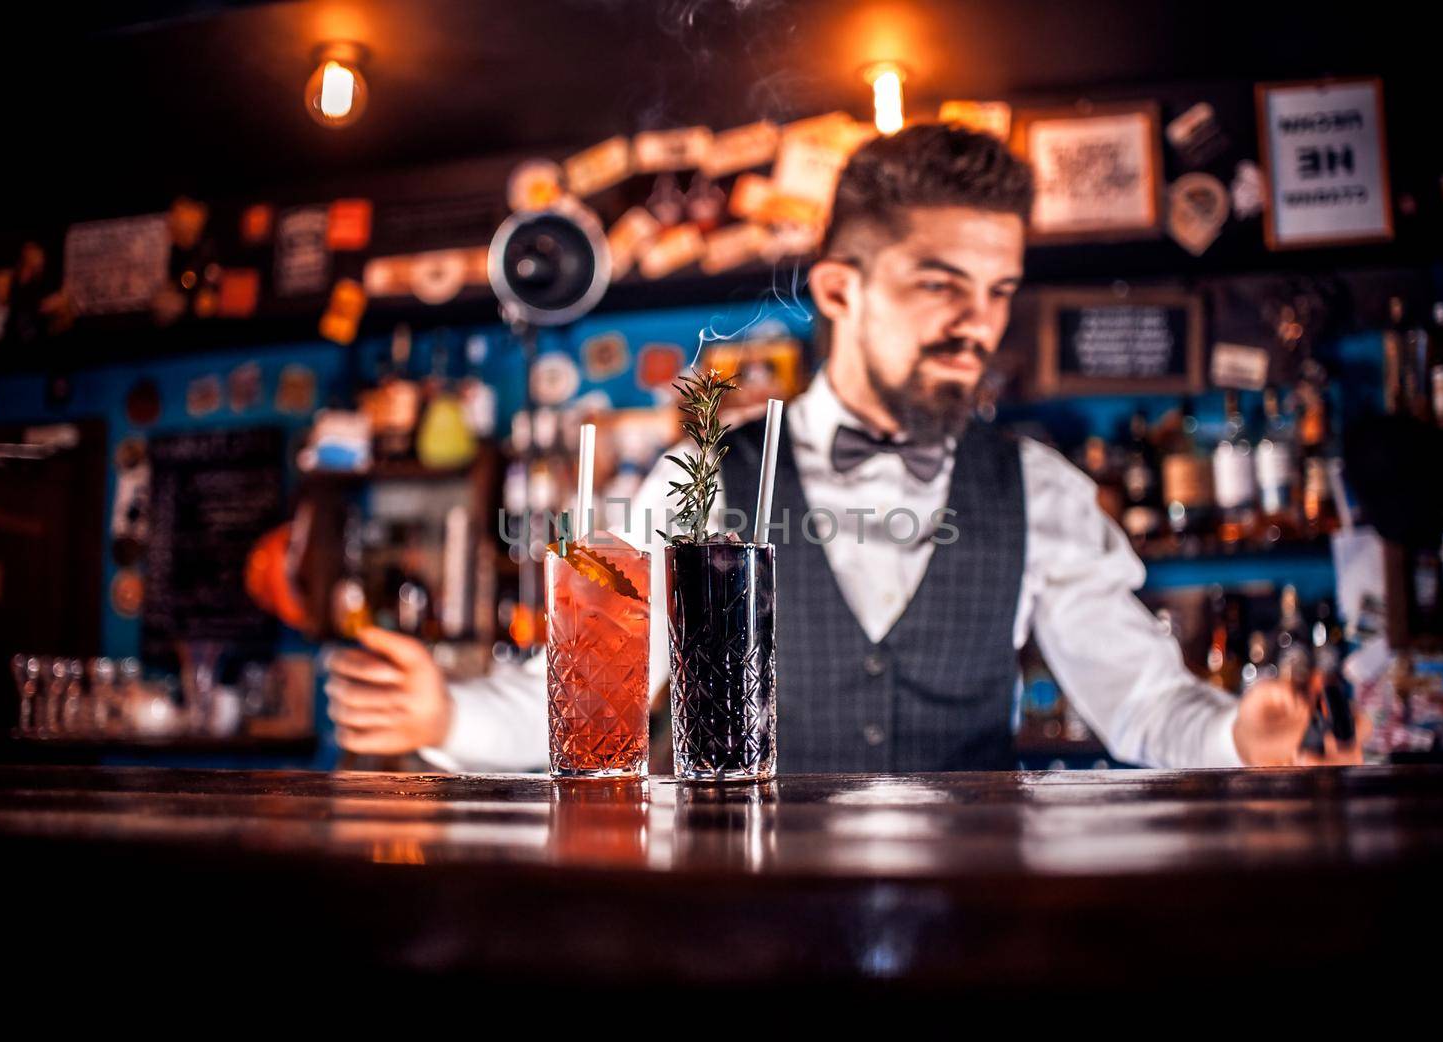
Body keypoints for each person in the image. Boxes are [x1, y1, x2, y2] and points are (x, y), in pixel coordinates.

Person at [326, 123, 1363, 771]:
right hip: (746, 938)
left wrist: (1242, 736)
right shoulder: (701, 478)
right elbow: (584, 692)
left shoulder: (1034, 485)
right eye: (938, 285)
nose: (978, 326)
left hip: (969, 944)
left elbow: (1143, 702)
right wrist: (443, 710)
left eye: (995, 292)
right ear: (838, 290)